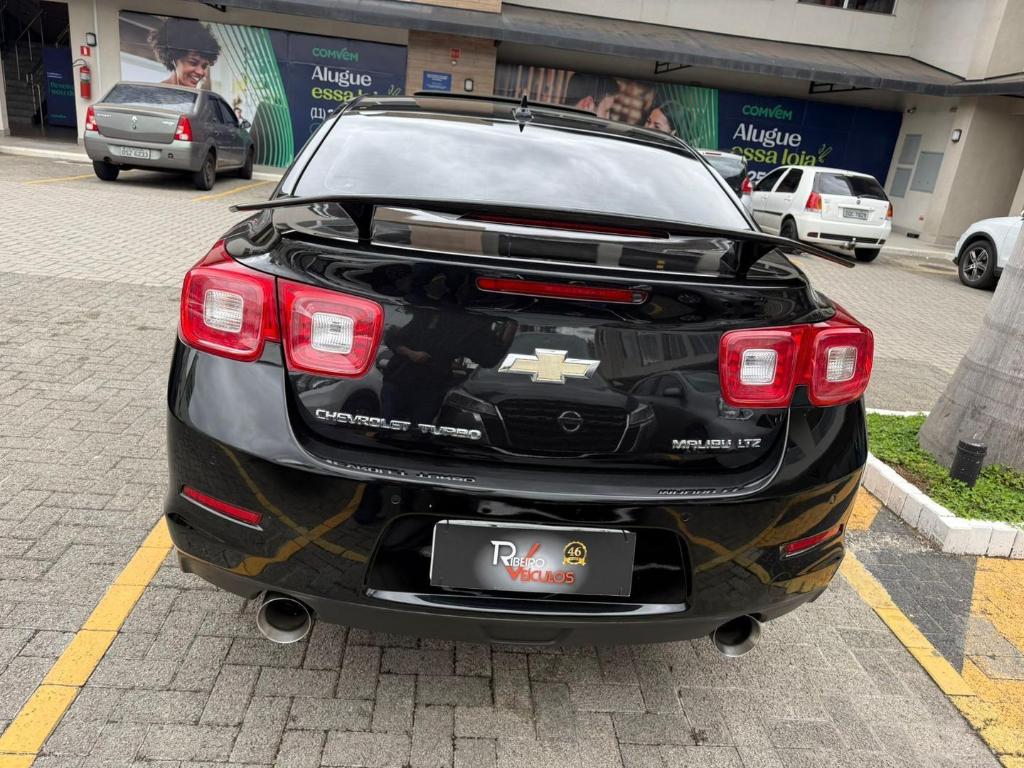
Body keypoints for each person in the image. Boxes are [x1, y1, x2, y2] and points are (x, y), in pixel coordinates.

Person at [147, 18, 220, 88]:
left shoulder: (199, 95)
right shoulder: (153, 93)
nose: (200, 72)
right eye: (193, 63)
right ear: (173, 58)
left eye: (204, 66)